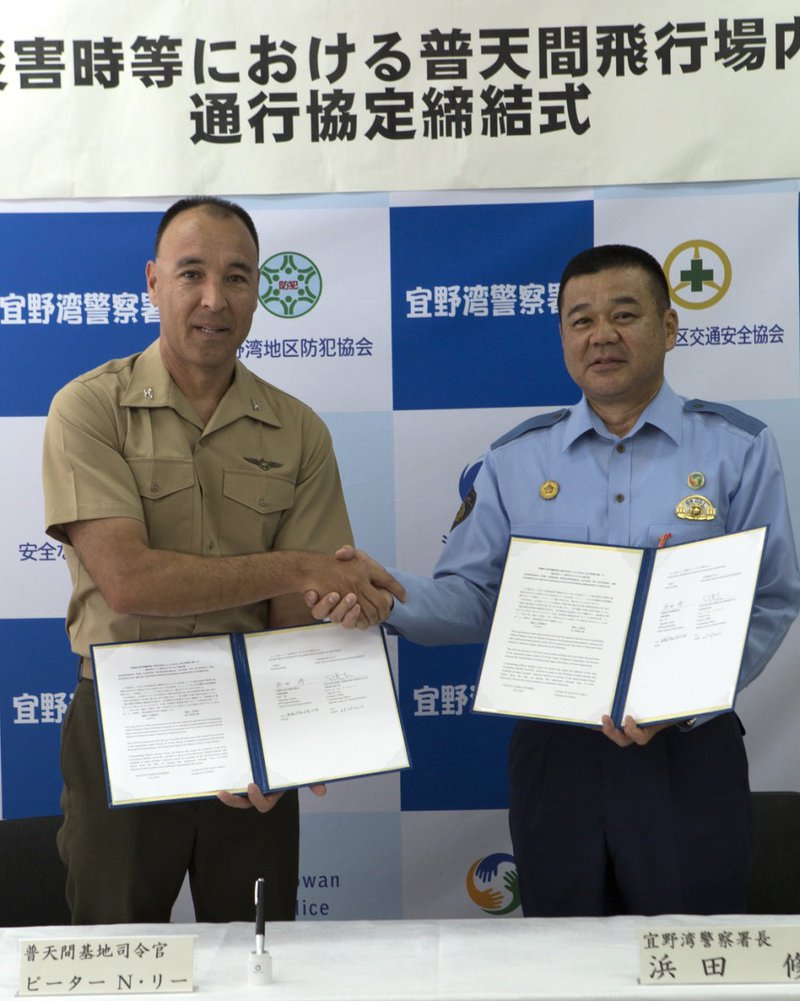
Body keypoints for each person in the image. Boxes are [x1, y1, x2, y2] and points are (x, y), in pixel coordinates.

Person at [309, 243, 800, 918]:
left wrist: (686, 699)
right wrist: (386, 593)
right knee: (564, 957)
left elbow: (770, 596)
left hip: (686, 748)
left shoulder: (737, 448)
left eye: (624, 314)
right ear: (563, 337)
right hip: (557, 757)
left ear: (668, 327)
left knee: (686, 955)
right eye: (581, 319)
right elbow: (473, 598)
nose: (602, 335)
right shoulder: (516, 459)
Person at [43, 195, 404, 925]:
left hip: (254, 719)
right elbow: (130, 583)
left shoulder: (298, 429)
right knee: (117, 953)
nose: (215, 298)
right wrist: (300, 566)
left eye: (237, 277)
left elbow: (297, 611)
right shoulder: (89, 408)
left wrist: (287, 741)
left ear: (258, 290)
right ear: (153, 282)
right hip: (128, 713)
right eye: (191, 273)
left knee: (256, 954)